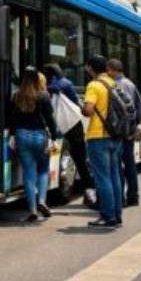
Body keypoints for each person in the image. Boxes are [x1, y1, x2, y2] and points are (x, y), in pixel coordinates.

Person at [7, 67, 61, 223]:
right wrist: (54, 136)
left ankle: (32, 209)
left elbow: (12, 119)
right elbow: (50, 119)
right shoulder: (43, 96)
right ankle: (42, 201)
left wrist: (12, 135)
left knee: (29, 174)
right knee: (43, 171)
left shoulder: (16, 96)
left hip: (21, 135)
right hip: (39, 135)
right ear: (38, 80)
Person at [42, 63, 94, 207]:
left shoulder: (57, 86)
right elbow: (76, 103)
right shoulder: (65, 84)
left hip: (66, 126)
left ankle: (91, 189)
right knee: (80, 158)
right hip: (74, 125)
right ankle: (90, 189)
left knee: (80, 159)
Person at [82, 55, 123, 228]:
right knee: (115, 176)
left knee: (102, 178)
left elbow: (89, 111)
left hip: (98, 137)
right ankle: (117, 214)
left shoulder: (94, 85)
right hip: (114, 136)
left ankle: (107, 216)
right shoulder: (113, 84)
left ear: (91, 68)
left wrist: (82, 108)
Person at [108, 58, 141, 208]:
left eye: (107, 69)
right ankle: (133, 196)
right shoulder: (130, 84)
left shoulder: (112, 85)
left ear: (112, 70)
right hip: (129, 130)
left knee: (117, 166)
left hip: (117, 131)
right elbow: (139, 105)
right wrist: (138, 124)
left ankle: (120, 198)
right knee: (130, 164)